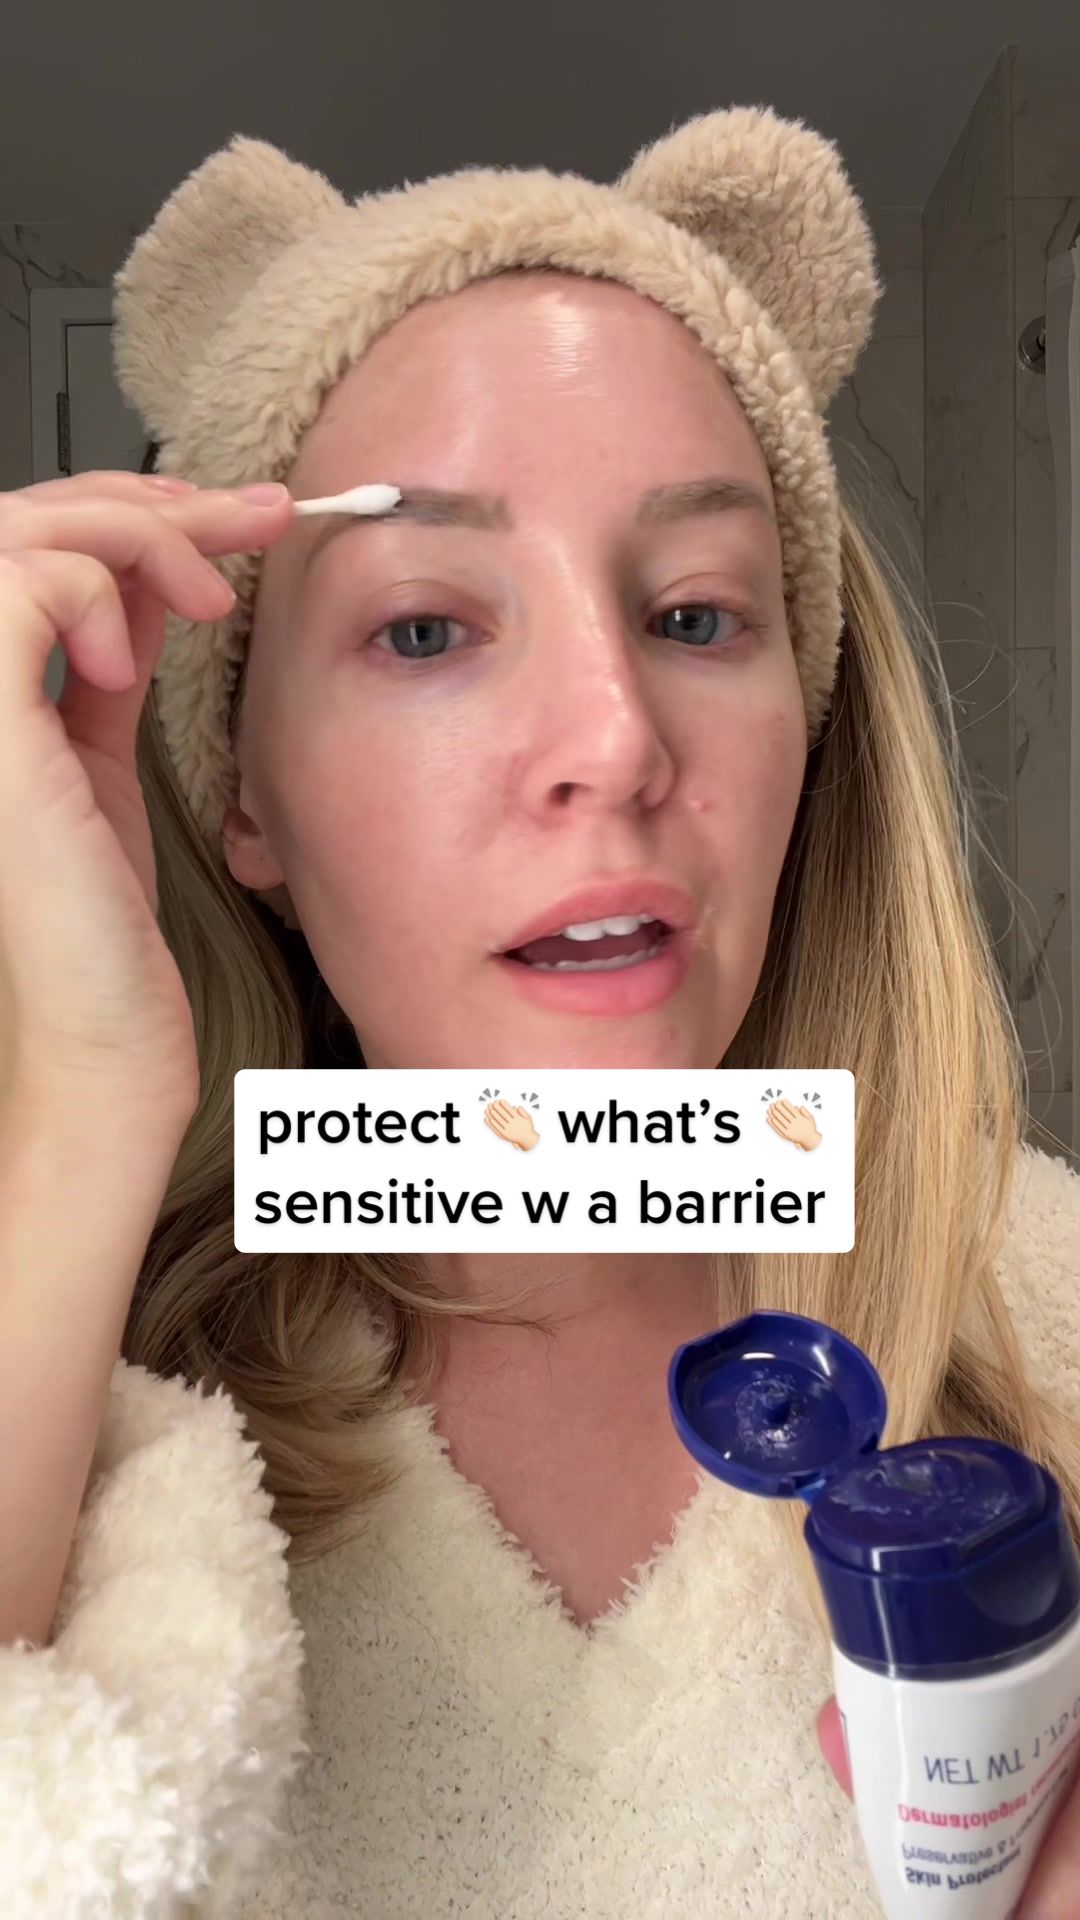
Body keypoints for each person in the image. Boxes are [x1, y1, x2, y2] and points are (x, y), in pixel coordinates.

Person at [1, 104, 1079, 1919]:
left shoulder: (1047, 1307)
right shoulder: (83, 1372)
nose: (615, 740)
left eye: (697, 615)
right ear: (243, 795)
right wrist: (83, 1095)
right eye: (425, 629)